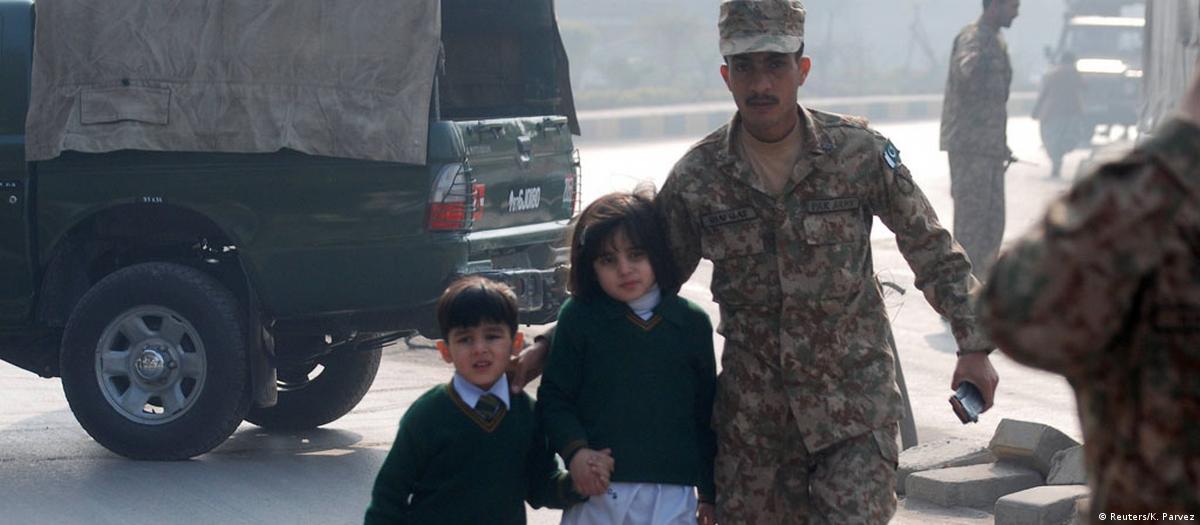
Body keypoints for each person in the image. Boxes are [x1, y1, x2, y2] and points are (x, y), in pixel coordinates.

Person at [519, 1, 1001, 523]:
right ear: (726, 75)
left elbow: (932, 247)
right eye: (744, 66)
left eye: (775, 64)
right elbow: (636, 285)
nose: (761, 82)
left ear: (802, 69)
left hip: (854, 416)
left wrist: (973, 344)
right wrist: (548, 345)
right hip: (755, 434)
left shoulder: (858, 154)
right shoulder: (699, 178)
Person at [978, 65, 1200, 521]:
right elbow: (1011, 308)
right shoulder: (1154, 203)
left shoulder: (1146, 196)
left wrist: (1179, 144)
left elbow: (1009, 306)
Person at [537, 191, 718, 525]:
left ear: (658, 252)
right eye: (608, 260)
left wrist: (709, 493)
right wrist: (576, 453)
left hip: (673, 498)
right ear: (590, 266)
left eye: (636, 254)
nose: (624, 269)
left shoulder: (691, 323)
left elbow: (706, 414)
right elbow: (555, 398)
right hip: (597, 495)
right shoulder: (579, 317)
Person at [364, 276, 599, 524]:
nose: (479, 348)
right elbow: (389, 496)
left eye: (492, 336)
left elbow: (540, 485)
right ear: (446, 351)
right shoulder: (428, 415)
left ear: (516, 343)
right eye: (465, 339)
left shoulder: (527, 414)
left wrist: (578, 484)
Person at [940, 0, 1021, 280]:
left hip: (990, 149)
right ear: (995, 5)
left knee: (992, 225)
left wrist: (1000, 143)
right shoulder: (973, 38)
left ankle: (982, 287)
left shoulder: (996, 40)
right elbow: (967, 72)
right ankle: (961, 289)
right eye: (1013, 6)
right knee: (971, 226)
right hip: (970, 148)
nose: (1017, 13)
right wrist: (982, 59)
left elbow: (995, 103)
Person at [1032, 52, 1086, 178]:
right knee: (1068, 139)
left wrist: (1036, 111)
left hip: (1051, 112)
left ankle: (1056, 162)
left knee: (1051, 140)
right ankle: (1059, 157)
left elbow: (1043, 94)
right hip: (1072, 112)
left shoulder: (1051, 74)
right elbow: (1085, 87)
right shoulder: (1075, 74)